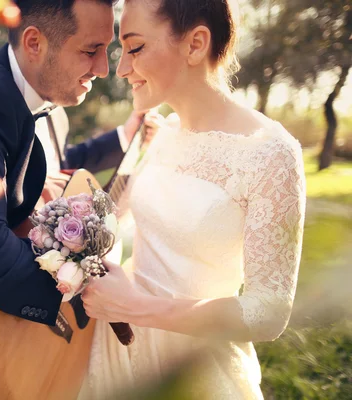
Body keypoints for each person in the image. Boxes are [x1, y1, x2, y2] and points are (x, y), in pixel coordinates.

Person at [79, 0, 307, 398]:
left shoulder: (272, 154)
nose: (120, 69)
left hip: (193, 373)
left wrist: (134, 307)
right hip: (112, 349)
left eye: (134, 49)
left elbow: (268, 311)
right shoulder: (160, 132)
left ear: (195, 44)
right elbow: (115, 217)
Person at [0, 0, 153, 332]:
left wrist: (125, 136)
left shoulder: (52, 105)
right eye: (91, 51)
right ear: (34, 43)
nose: (104, 68)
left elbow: (50, 170)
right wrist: (82, 285)